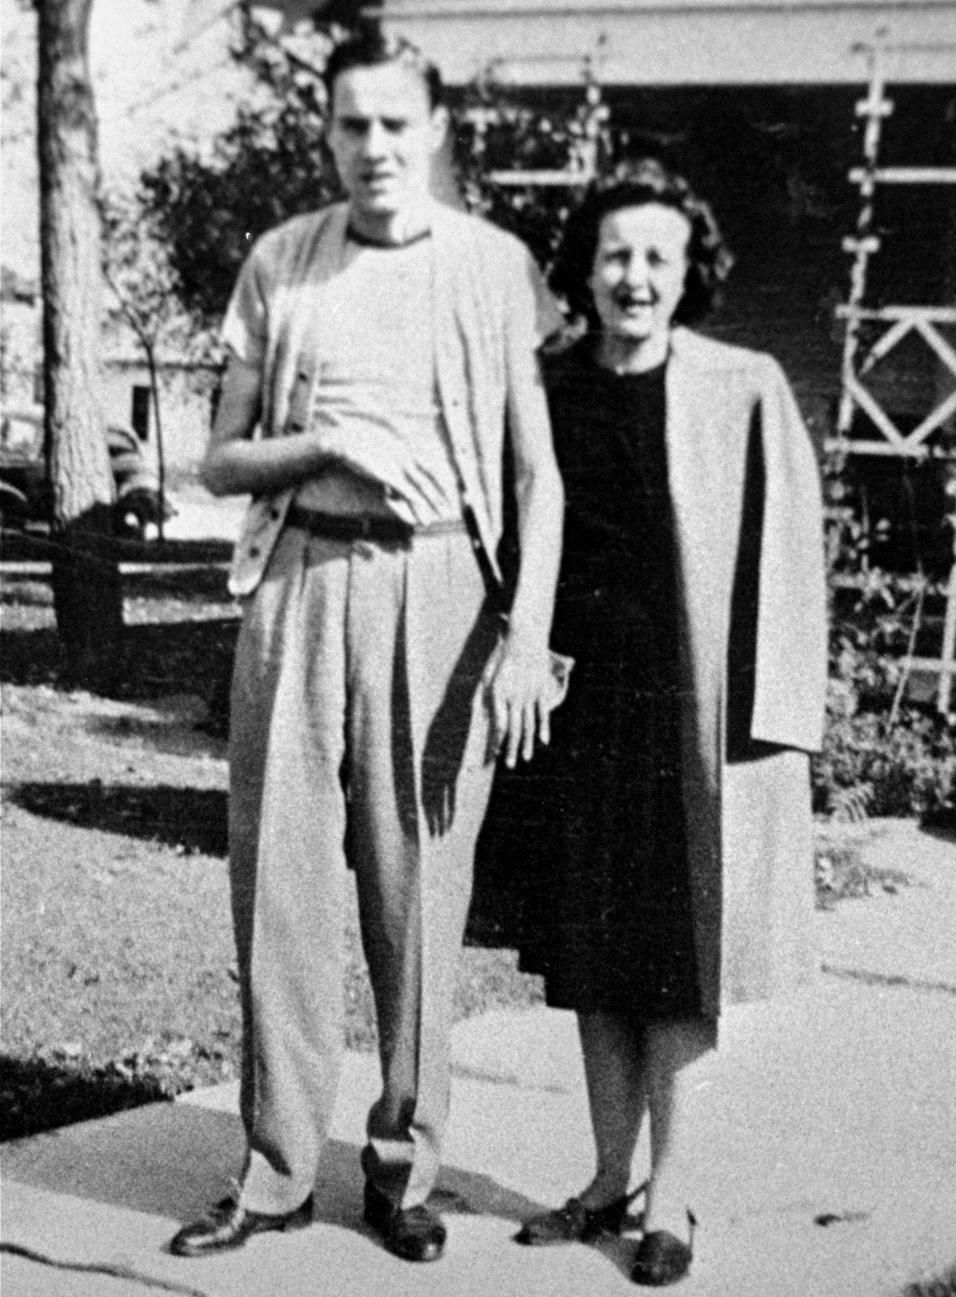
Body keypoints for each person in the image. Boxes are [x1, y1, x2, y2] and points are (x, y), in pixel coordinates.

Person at [169, 26, 564, 1265]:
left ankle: (404, 1165)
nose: (375, 148)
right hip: (298, 579)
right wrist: (326, 448)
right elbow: (219, 457)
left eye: (397, 124)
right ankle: (278, 1167)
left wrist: (523, 638)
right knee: (277, 882)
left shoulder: (494, 268)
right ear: (327, 133)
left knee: (419, 890)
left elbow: (538, 478)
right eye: (352, 125)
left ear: (436, 129)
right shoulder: (282, 263)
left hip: (441, 583)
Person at [510, 159, 827, 1286]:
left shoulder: (743, 384)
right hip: (574, 705)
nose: (634, 277)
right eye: (615, 256)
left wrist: (781, 726)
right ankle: (606, 1178)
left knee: (678, 964)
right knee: (592, 959)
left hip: (693, 715)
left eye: (657, 256)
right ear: (582, 271)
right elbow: (513, 535)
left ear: (688, 271)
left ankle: (674, 1197)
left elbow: (790, 564)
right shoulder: (548, 384)